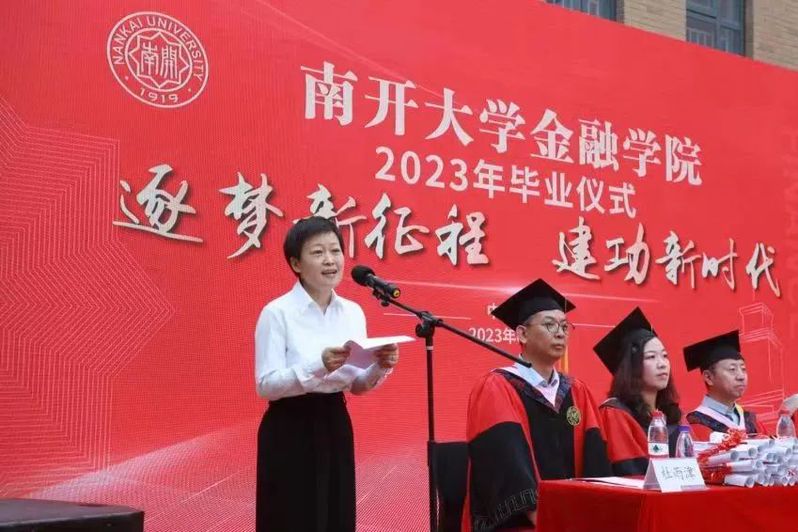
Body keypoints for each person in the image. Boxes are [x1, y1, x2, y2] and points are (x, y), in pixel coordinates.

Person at [254, 216, 399, 532]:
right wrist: (318, 365)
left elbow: (356, 385)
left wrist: (381, 365)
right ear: (296, 263)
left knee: (335, 513)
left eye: (335, 250)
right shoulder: (277, 313)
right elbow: (266, 385)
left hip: (335, 421)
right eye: (318, 252)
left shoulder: (352, 312)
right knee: (291, 517)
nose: (330, 260)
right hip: (290, 427)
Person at [462, 279, 611, 531]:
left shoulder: (577, 391)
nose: (560, 333)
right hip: (522, 524)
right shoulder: (497, 386)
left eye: (564, 326)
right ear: (522, 333)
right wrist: (544, 520)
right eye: (549, 325)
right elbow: (506, 461)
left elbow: (595, 459)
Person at [593, 307, 683, 475]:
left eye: (664, 356)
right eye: (651, 357)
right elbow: (629, 470)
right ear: (630, 366)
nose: (662, 364)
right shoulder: (615, 413)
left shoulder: (670, 415)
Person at [683, 330, 766, 439]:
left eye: (743, 369)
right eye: (732, 369)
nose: (741, 376)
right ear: (708, 377)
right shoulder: (696, 423)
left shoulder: (751, 421)